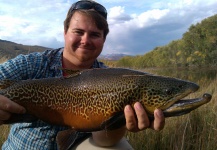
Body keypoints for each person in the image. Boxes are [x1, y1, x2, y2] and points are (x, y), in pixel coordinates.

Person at [0, 0, 165, 149]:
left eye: (94, 35)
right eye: (78, 32)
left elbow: (103, 142)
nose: (85, 40)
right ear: (65, 32)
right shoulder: (31, 64)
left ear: (104, 39)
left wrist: (120, 122)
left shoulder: (112, 79)